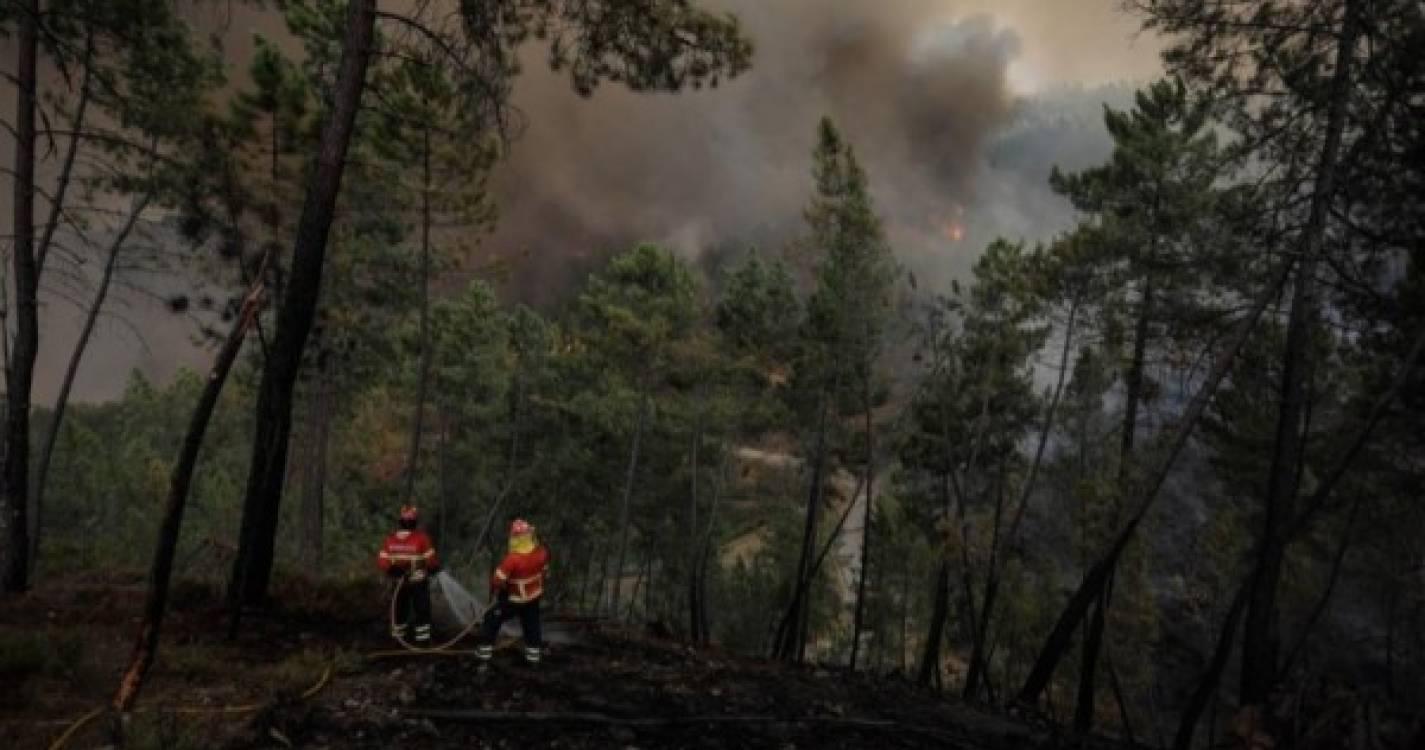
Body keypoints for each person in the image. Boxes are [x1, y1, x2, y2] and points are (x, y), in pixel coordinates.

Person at [475, 518, 550, 665]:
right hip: (533, 599)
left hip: (514, 600)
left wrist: (502, 590)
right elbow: (545, 573)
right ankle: (533, 659)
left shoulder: (512, 559)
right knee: (532, 626)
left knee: (491, 619)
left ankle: (483, 656)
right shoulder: (542, 552)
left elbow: (497, 581)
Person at [377, 505, 440, 645]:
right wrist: (433, 568)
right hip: (418, 582)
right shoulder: (422, 538)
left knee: (399, 611)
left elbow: (382, 561)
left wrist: (392, 570)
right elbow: (431, 562)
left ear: (400, 522)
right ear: (415, 522)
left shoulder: (390, 539)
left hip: (399, 583)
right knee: (422, 612)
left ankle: (398, 641)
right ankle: (422, 642)